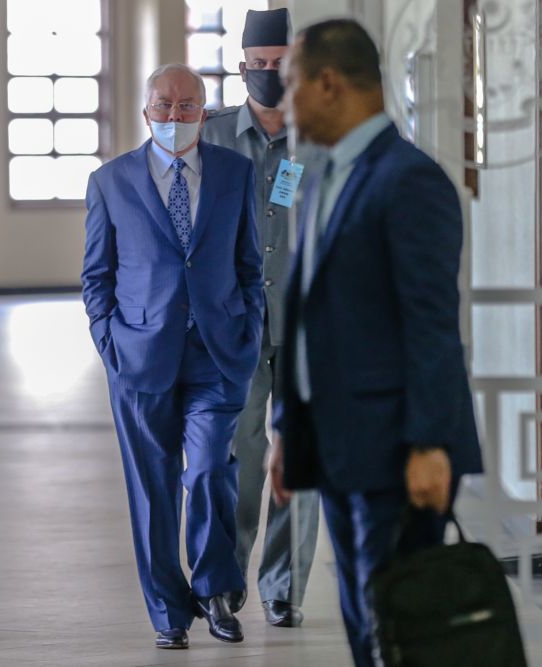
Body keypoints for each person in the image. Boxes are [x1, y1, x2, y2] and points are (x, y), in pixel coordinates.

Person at [267, 20, 483, 667]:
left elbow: (431, 325)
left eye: (290, 85)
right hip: (337, 445)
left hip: (395, 451)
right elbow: (309, 318)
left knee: (401, 631)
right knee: (367, 625)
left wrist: (428, 443)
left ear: (328, 84)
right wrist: (286, 429)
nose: (283, 104)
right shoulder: (321, 178)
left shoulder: (409, 181)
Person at [82, 64, 263, 649]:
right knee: (152, 487)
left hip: (216, 352)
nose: (174, 115)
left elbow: (250, 267)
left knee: (210, 467)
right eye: (163, 105)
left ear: (203, 114)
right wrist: (110, 343)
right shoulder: (110, 182)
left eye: (187, 106)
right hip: (139, 355)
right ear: (146, 113)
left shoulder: (237, 172)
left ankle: (215, 591)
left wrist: (249, 331)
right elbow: (96, 277)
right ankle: (167, 612)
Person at [201, 7, 320, 629]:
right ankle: (225, 581)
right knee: (237, 459)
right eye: (259, 65)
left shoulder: (325, 134)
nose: (269, 74)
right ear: (241, 67)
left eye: (280, 64)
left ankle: (284, 586)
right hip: (234, 327)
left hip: (309, 327)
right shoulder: (212, 135)